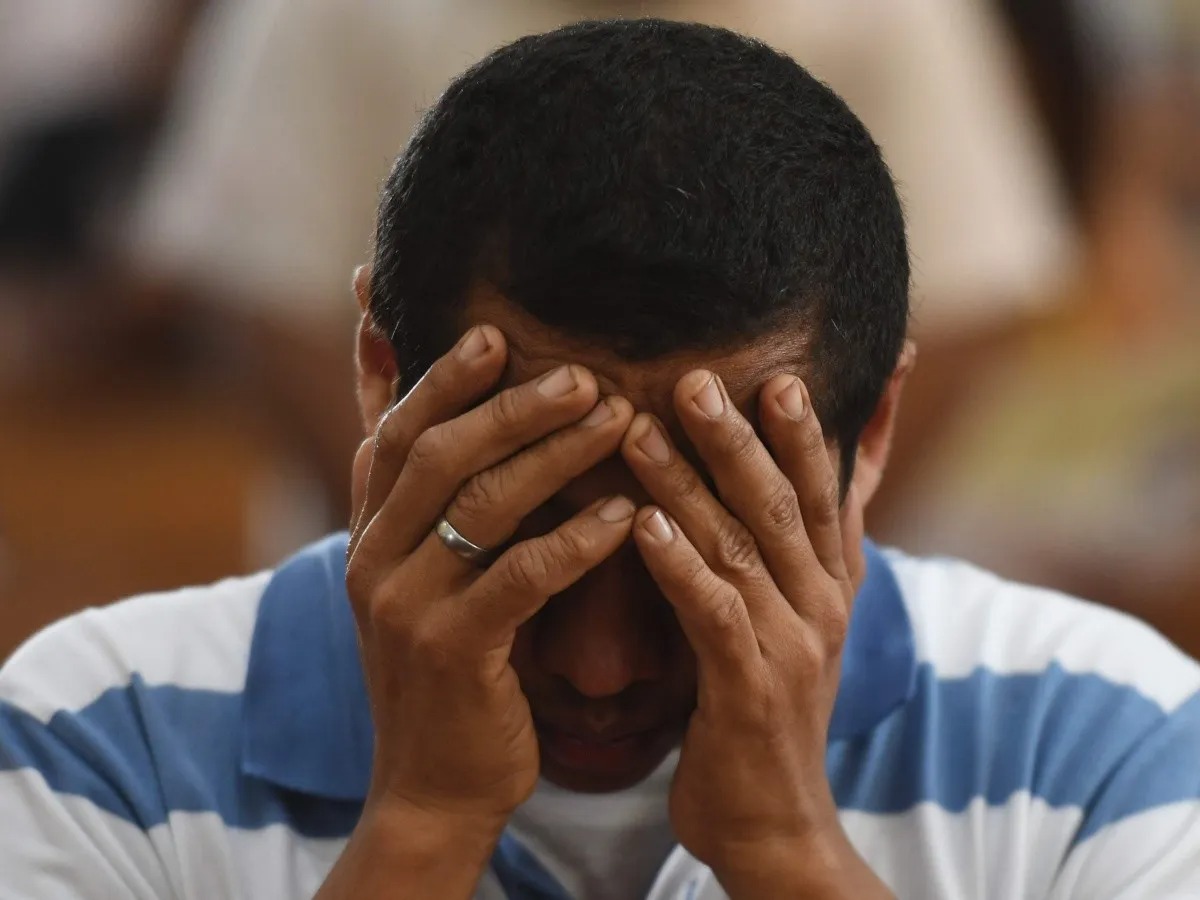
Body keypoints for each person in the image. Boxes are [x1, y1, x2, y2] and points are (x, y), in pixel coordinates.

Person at [2, 20, 1195, 900]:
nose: (601, 666)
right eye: (528, 527)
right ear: (381, 382)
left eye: (704, 542)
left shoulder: (1102, 740)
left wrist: (786, 851)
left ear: (870, 430)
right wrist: (421, 826)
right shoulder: (100, 738)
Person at [122, 0, 1075, 528]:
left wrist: (792, 552)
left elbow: (967, 305)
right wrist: (430, 541)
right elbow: (259, 296)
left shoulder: (896, 17)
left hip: (807, 638)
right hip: (370, 623)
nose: (604, 659)